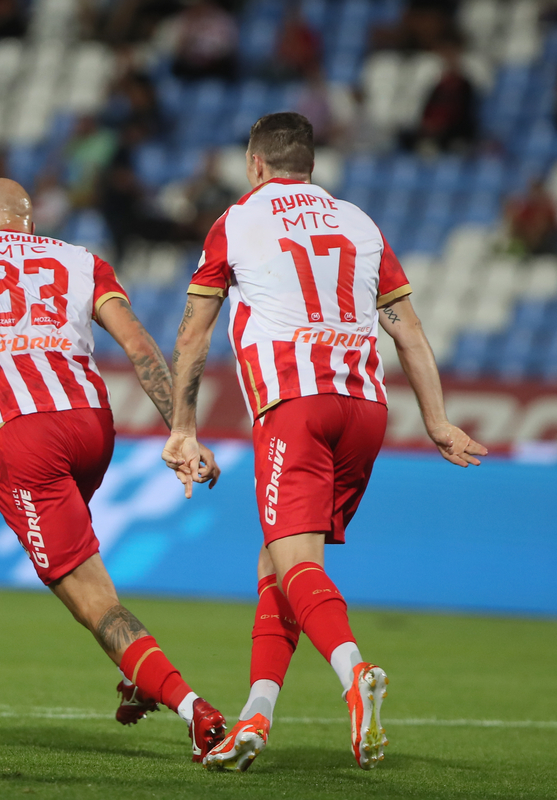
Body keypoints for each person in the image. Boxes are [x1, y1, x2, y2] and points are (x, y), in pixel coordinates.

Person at [161, 112, 487, 771]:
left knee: (296, 563)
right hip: (366, 410)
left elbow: (193, 334)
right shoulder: (360, 223)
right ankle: (255, 714)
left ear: (255, 165)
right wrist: (438, 419)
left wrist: (183, 427)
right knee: (277, 563)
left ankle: (354, 672)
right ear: (311, 166)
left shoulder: (239, 219)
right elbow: (410, 331)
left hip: (295, 406)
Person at [0, 177, 228, 763]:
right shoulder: (81, 260)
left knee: (93, 602)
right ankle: (137, 676)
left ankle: (196, 712)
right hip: (91, 426)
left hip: (21, 436)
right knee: (91, 578)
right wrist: (181, 429)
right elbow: (137, 345)